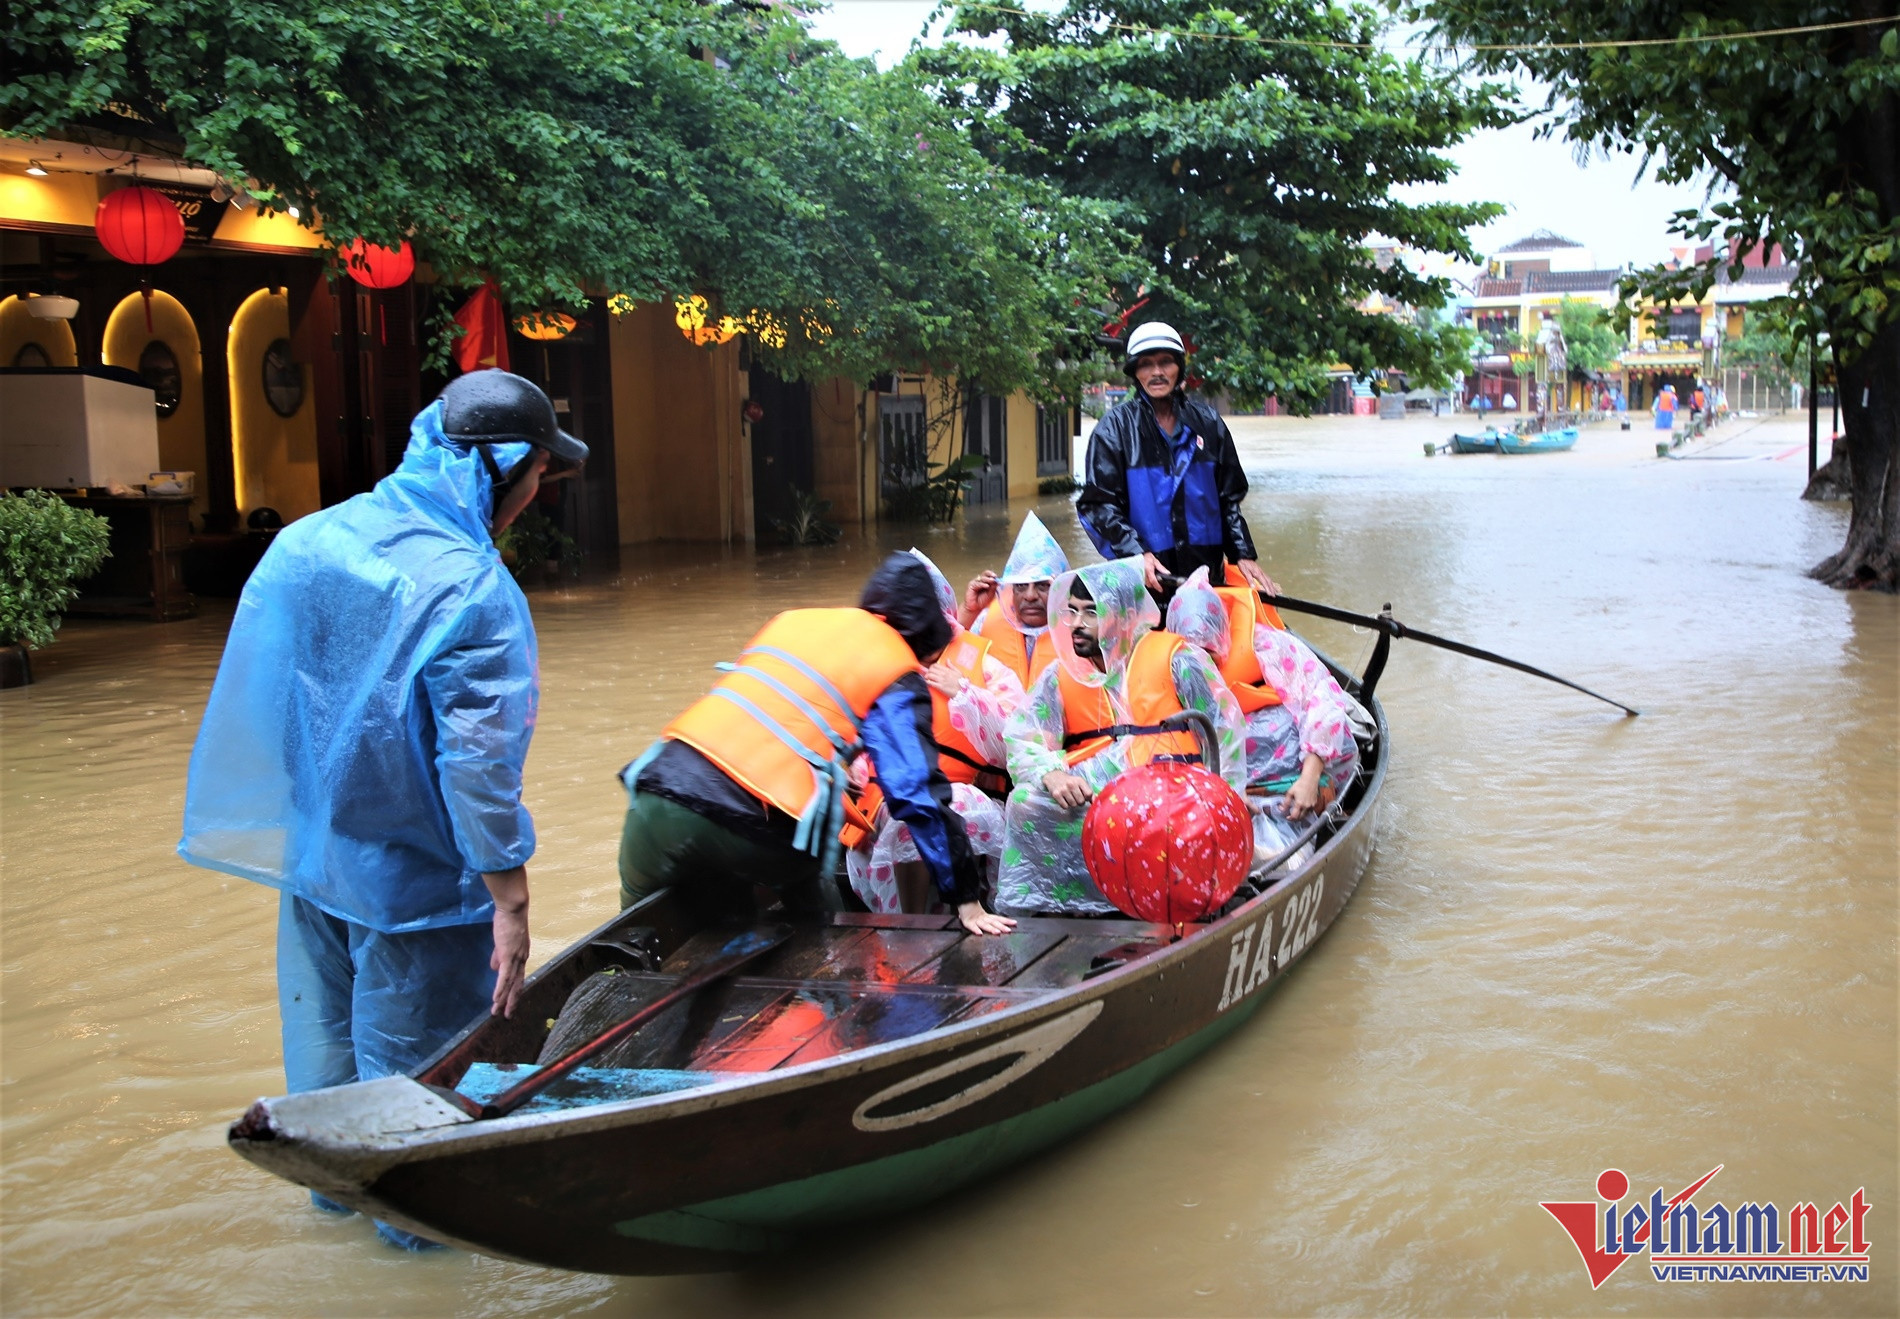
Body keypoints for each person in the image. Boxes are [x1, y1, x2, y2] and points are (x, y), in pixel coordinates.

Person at [178, 370, 586, 1249]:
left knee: (328, 1097)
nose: (531, 498)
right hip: (418, 894)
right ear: (499, 469)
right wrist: (511, 898)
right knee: (418, 1117)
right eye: (537, 477)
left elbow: (286, 707)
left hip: (317, 863)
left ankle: (337, 1240)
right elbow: (477, 764)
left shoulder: (312, 543)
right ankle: (417, 1266)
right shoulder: (473, 587)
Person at [619, 554, 1016, 937]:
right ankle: (830, 975)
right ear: (924, 633)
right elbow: (914, 791)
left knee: (634, 935)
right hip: (747, 826)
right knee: (813, 897)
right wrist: (966, 898)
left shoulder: (791, 621)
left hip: (651, 801)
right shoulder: (894, 665)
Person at [995, 557, 1246, 917]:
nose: (1076, 625)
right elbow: (1022, 736)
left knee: (1152, 825)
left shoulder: (1179, 658)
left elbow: (1224, 732)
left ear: (1121, 615)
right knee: (1025, 802)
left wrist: (1227, 808)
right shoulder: (1061, 674)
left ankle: (1162, 907)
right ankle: (1044, 911)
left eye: (1090, 613)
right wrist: (1052, 774)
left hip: (1173, 790)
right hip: (1098, 786)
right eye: (1071, 612)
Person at [844, 551, 1024, 915]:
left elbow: (1018, 743)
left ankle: (939, 914)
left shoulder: (985, 668)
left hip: (955, 791)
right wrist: (849, 770)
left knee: (926, 811)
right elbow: (849, 734)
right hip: (882, 798)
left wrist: (966, 694)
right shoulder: (873, 664)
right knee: (904, 812)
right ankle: (911, 918)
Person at [1076, 322, 1275, 601]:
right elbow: (1097, 506)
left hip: (1207, 581)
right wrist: (1136, 553)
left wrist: (1242, 553)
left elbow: (1228, 499)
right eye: (1146, 364)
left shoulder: (1208, 424)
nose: (1157, 372)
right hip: (1148, 585)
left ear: (1179, 368)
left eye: (1165, 362)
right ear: (1135, 372)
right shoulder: (1114, 430)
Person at [1162, 568, 1362, 840]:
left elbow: (1322, 700)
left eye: (1209, 652)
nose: (1203, 664)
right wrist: (1223, 788)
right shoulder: (1167, 666)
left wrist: (1310, 778)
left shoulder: (1270, 647)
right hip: (1222, 781)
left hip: (1294, 772)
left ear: (1223, 634)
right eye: (1193, 654)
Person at [957, 511, 1067, 689]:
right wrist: (968, 611)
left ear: (1061, 589)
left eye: (1043, 585)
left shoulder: (1080, 628)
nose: (1030, 596)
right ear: (1010, 590)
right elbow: (943, 662)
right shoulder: (983, 622)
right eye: (1021, 586)